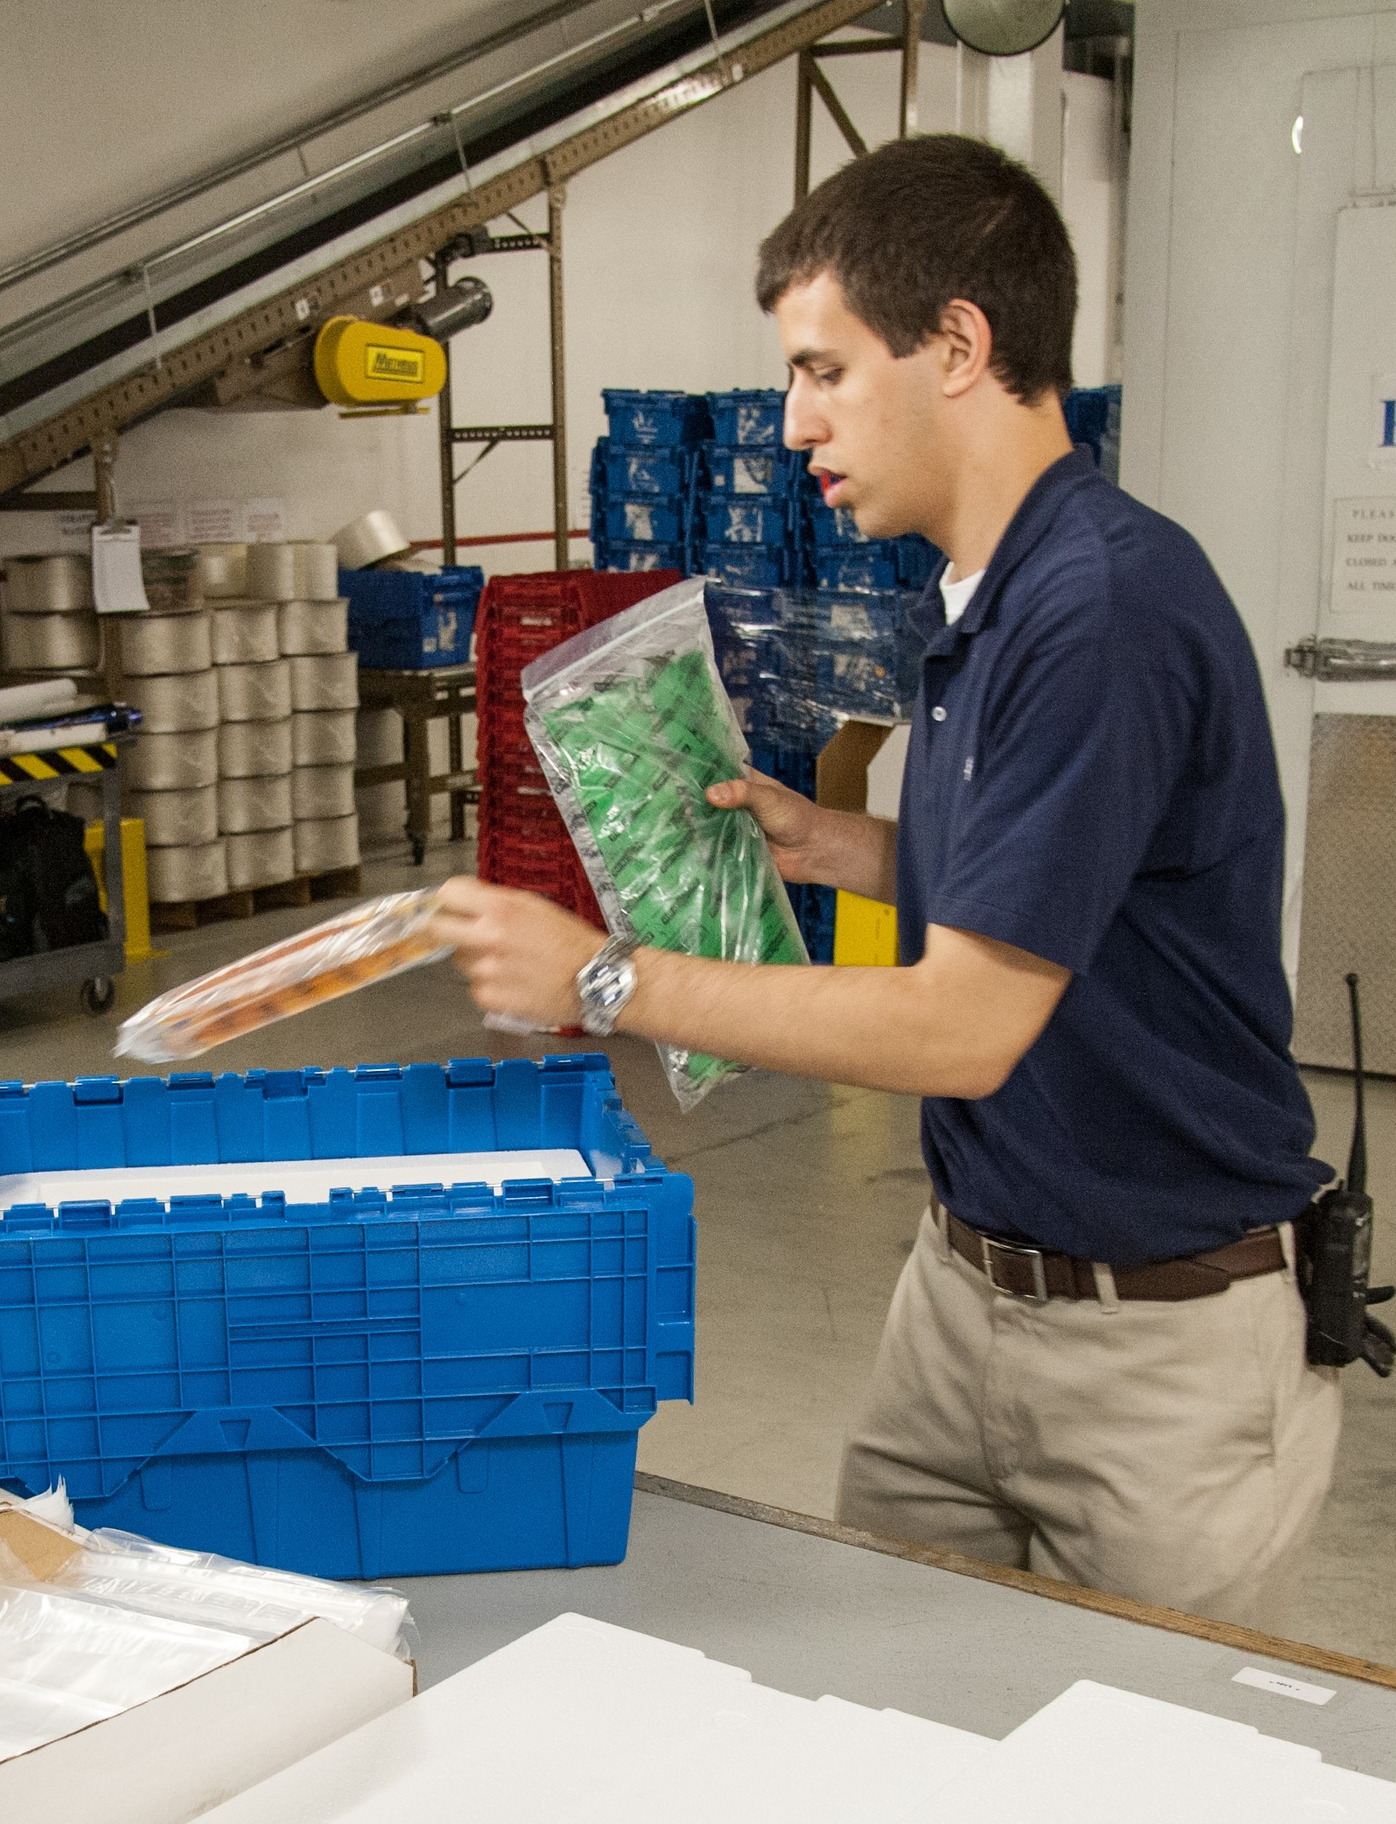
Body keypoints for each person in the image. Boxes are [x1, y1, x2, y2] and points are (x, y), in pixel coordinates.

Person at [430, 133, 1341, 1630]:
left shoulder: (1101, 612)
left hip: (1155, 1348)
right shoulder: (983, 594)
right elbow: (1054, 890)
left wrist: (607, 976)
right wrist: (840, 847)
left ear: (961, 347)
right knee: (888, 1699)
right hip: (964, 1295)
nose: (795, 424)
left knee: (1140, 1759)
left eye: (825, 370)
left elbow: (962, 1028)